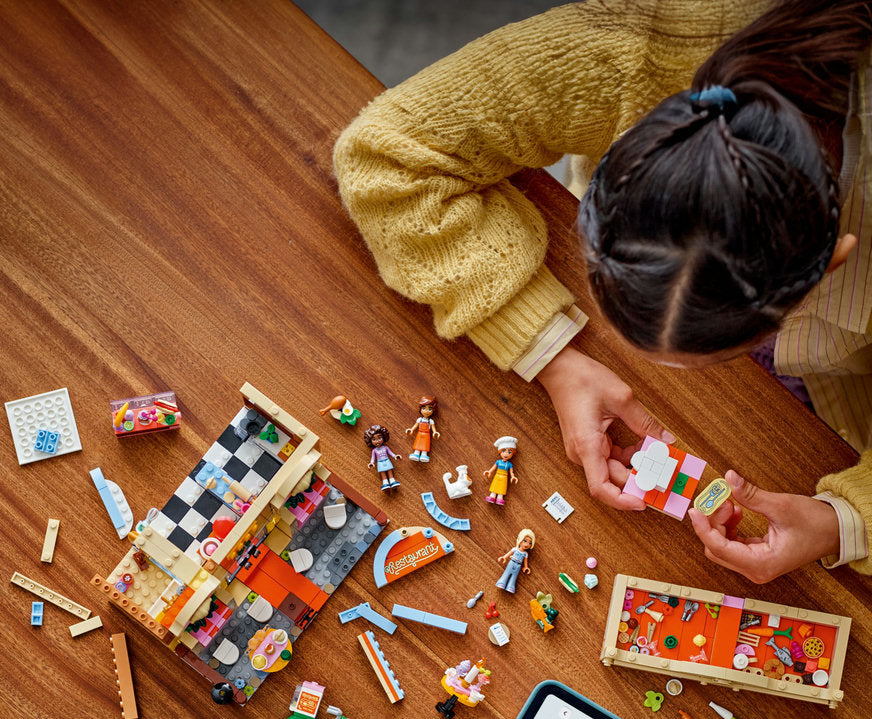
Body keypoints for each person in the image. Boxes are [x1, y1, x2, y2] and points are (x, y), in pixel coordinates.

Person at [334, 0, 872, 583]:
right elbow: (383, 155)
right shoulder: (628, 43)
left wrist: (844, 521)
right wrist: (550, 352)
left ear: (834, 263)